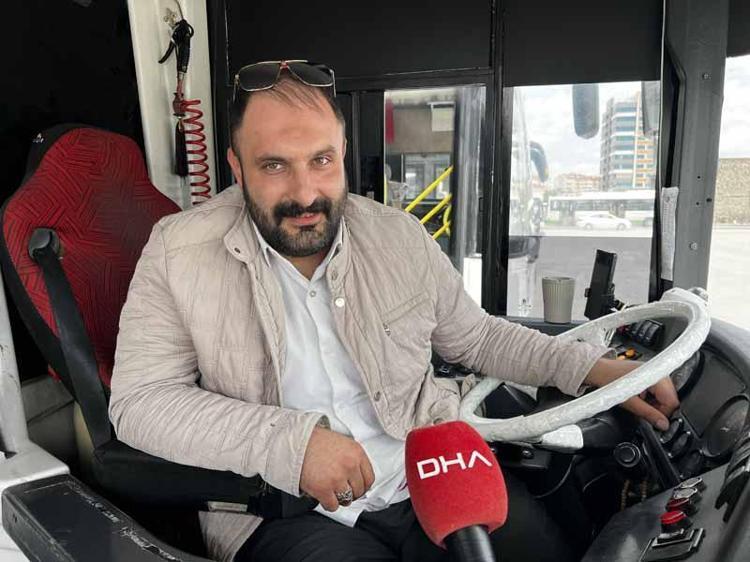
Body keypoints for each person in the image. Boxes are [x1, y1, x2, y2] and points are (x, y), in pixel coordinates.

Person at [109, 60, 679, 562]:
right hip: (283, 508)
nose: (305, 193)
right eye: (274, 165)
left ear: (342, 153)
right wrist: (289, 443)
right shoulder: (177, 252)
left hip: (430, 472)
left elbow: (476, 338)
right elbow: (140, 402)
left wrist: (589, 368)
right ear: (236, 167)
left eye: (321, 160)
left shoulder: (399, 236)